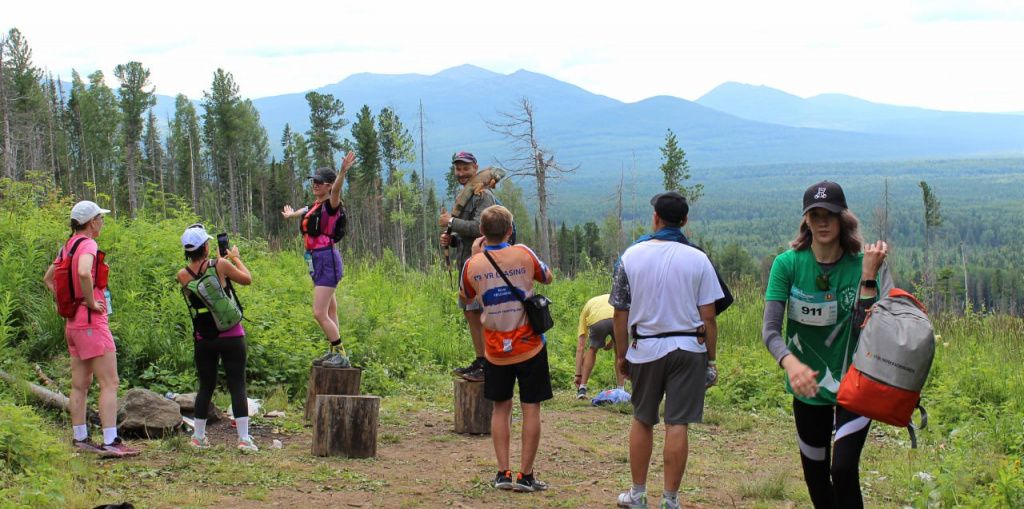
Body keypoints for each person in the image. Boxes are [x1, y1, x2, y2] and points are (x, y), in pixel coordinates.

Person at [762, 181, 891, 509]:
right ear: (805, 220)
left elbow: (871, 329)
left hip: (856, 384)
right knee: (816, 478)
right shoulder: (787, 264)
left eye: (829, 215)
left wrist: (869, 277)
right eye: (814, 215)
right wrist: (791, 363)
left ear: (842, 218)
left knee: (843, 470)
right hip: (808, 387)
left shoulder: (862, 265)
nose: (822, 222)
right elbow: (770, 332)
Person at [611, 191, 723, 509]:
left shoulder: (631, 256)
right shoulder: (698, 258)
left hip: (645, 347)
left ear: (656, 218)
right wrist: (710, 360)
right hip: (689, 348)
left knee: (642, 418)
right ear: (684, 221)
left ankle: (637, 494)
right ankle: (670, 500)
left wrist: (621, 354)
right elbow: (709, 317)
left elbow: (620, 312)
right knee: (677, 423)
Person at [460, 205, 554, 493]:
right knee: (531, 408)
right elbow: (547, 276)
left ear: (481, 231)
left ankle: (503, 472)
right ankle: (526, 476)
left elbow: (467, 297)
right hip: (529, 346)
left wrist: (476, 255)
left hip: (495, 349)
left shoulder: (472, 264)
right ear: (510, 231)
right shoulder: (523, 253)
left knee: (501, 408)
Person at [43, 201, 139, 458]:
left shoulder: (68, 246)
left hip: (73, 324)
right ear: (91, 222)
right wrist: (89, 301)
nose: (102, 223)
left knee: (80, 385)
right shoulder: (88, 244)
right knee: (110, 382)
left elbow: (49, 279)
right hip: (91, 323)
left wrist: (71, 302)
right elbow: (85, 272)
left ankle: (80, 438)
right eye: (100, 218)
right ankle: (110, 441)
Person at [176, 224, 256, 452]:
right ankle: (244, 439)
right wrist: (235, 258)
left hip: (204, 337)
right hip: (231, 333)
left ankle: (198, 437)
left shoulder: (182, 274)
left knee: (206, 386)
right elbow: (247, 279)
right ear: (205, 246)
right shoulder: (220, 265)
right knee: (237, 384)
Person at [282, 151, 356, 368]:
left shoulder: (332, 205)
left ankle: (341, 355)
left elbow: (337, 190)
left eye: (319, 182)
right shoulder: (316, 205)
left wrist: (342, 172)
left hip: (326, 260)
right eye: (313, 181)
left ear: (329, 186)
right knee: (331, 311)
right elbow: (304, 211)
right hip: (316, 259)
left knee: (319, 312)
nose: (315, 184)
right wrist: (291, 215)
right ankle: (333, 351)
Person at [441, 151, 497, 382]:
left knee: (481, 314)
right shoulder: (467, 195)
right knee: (471, 312)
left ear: (475, 168)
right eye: (458, 169)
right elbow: (467, 236)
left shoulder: (484, 195)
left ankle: (490, 364)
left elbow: (480, 229)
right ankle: (481, 361)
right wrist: (452, 240)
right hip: (467, 265)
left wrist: (451, 222)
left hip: (482, 267)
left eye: (465, 168)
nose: (461, 173)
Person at [574, 294, 626, 400]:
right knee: (619, 352)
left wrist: (578, 375)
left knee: (592, 349)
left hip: (597, 322)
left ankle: (582, 388)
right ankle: (621, 389)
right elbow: (615, 323)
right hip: (617, 317)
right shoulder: (613, 297)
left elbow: (580, 347)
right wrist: (614, 342)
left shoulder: (587, 307)